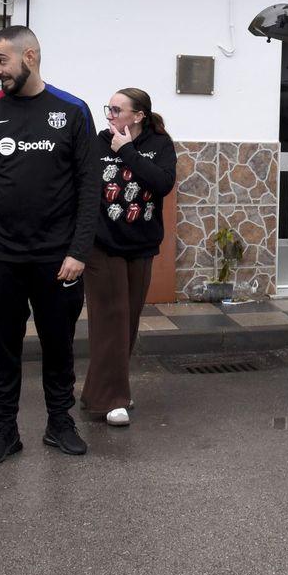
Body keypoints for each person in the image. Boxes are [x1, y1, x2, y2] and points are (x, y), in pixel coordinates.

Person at [0, 25, 101, 465]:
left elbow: (90, 190)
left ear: (29, 56)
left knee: (59, 344)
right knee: (2, 347)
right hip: (0, 256)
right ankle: (4, 430)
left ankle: (59, 423)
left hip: (57, 258)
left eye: (1, 61)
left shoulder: (72, 111)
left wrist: (79, 251)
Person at [83, 88, 178, 425]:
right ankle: (112, 399)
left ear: (137, 116)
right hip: (102, 245)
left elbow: (162, 184)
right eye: (107, 108)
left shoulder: (159, 146)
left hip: (140, 245)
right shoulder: (96, 142)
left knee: (130, 319)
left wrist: (126, 151)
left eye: (116, 109)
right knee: (113, 317)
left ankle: (99, 390)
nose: (109, 115)